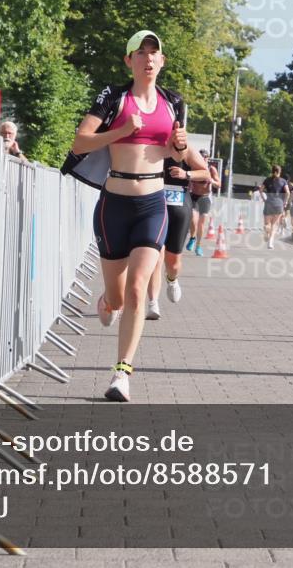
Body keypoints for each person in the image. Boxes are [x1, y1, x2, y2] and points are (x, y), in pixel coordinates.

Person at [62, 29, 203, 402]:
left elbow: (177, 154)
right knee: (119, 298)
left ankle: (121, 373)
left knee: (139, 287)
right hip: (114, 204)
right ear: (129, 61)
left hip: (153, 204)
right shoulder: (113, 96)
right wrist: (122, 130)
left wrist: (181, 150)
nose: (148, 59)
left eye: (154, 54)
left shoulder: (173, 103)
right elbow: (80, 142)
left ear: (162, 62)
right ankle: (107, 302)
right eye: (140, 53)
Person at [146, 153, 210, 319]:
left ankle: (172, 279)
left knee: (173, 263)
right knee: (156, 256)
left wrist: (186, 174)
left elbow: (205, 173)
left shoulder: (185, 149)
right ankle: (153, 303)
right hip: (154, 203)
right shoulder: (153, 146)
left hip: (179, 203)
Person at [186, 150, 221, 257]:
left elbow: (218, 184)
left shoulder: (211, 169)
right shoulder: (193, 168)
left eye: (205, 157)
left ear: (208, 158)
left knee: (201, 224)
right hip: (194, 196)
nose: (203, 159)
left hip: (205, 198)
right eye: (201, 157)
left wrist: (212, 181)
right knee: (193, 219)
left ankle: (199, 246)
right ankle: (192, 238)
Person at [259, 165, 290, 249]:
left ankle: (266, 233)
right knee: (274, 224)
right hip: (279, 204)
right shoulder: (283, 181)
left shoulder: (267, 180)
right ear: (279, 172)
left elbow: (260, 190)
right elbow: (287, 192)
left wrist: (264, 198)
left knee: (267, 224)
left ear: (272, 171)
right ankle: (271, 242)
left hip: (269, 202)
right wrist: (285, 202)